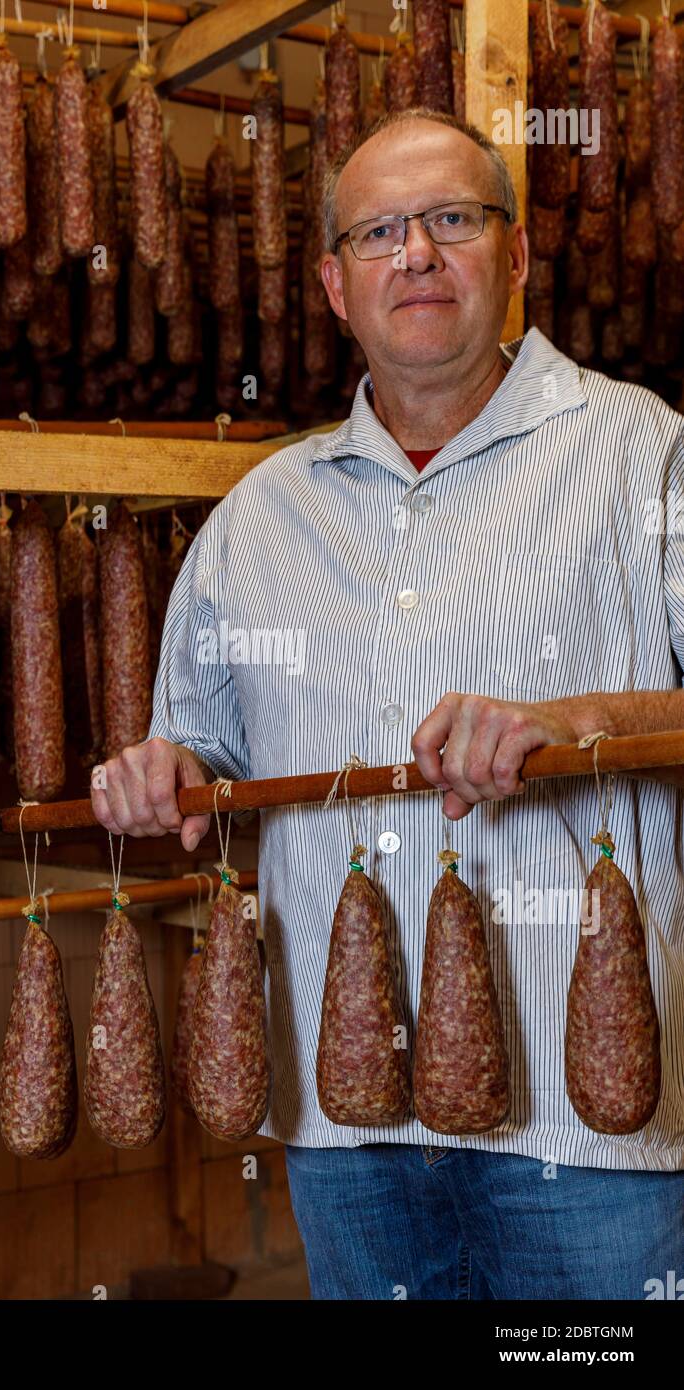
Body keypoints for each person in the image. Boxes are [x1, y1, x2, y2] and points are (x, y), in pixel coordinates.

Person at [91, 110, 684, 1301]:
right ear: (332, 283)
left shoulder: (641, 452)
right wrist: (156, 771)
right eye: (378, 232)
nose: (415, 253)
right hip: (345, 1127)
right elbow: (198, 749)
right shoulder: (256, 517)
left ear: (512, 257)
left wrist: (571, 723)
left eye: (452, 219)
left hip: (594, 1142)